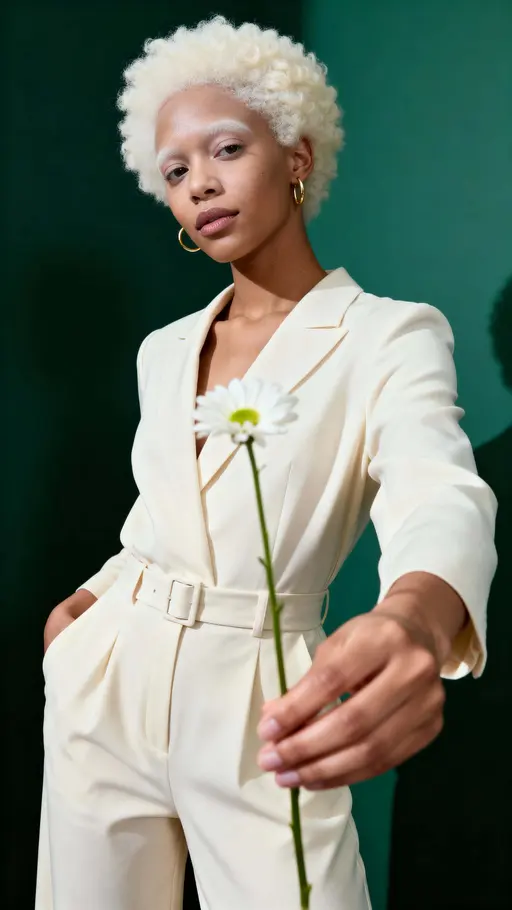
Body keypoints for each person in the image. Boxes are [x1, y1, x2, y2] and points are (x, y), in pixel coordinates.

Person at [35, 15, 498, 910]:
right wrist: (89, 605)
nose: (200, 182)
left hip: (266, 698)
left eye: (226, 148)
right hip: (108, 682)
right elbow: (164, 518)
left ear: (296, 154)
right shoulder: (163, 350)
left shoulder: (389, 336)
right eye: (175, 172)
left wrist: (414, 618)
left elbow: (440, 489)